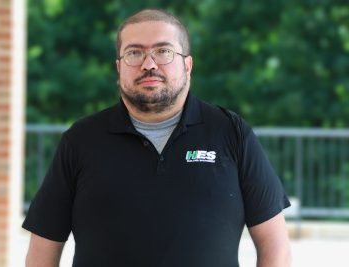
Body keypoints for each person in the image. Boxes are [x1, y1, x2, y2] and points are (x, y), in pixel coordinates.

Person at [23, 8, 291, 267]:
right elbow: (42, 251)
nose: (148, 64)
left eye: (163, 51)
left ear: (188, 64)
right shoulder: (80, 140)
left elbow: (275, 246)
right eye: (134, 53)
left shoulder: (231, 133)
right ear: (119, 67)